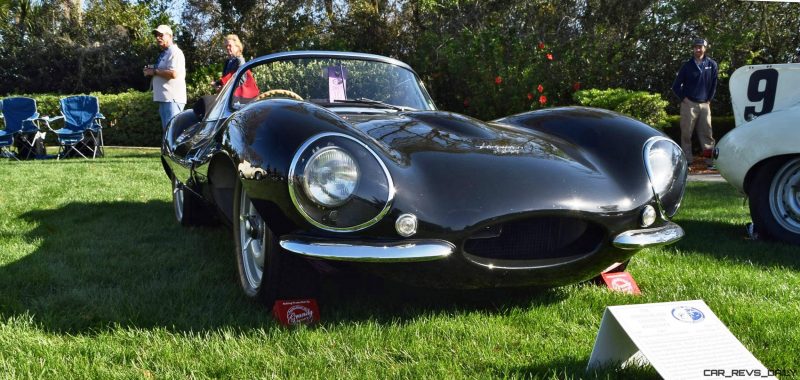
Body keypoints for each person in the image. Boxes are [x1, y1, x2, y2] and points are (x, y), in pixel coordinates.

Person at [671, 38, 718, 167]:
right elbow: (675, 86)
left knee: (707, 135)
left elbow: (714, 84)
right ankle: (688, 161)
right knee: (686, 134)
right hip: (689, 104)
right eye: (696, 47)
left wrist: (709, 99)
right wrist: (684, 98)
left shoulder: (712, 64)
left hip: (705, 104)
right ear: (693, 49)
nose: (698, 49)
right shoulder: (687, 66)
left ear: (705, 48)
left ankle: (710, 162)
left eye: (700, 47)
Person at [143, 24, 187, 131]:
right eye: (157, 36)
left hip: (173, 99)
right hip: (165, 99)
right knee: (168, 133)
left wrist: (153, 71)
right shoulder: (165, 53)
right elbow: (163, 69)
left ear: (170, 36)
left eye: (161, 35)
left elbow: (173, 73)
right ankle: (167, 149)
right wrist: (150, 68)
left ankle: (173, 149)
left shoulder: (175, 52)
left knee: (173, 132)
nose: (158, 38)